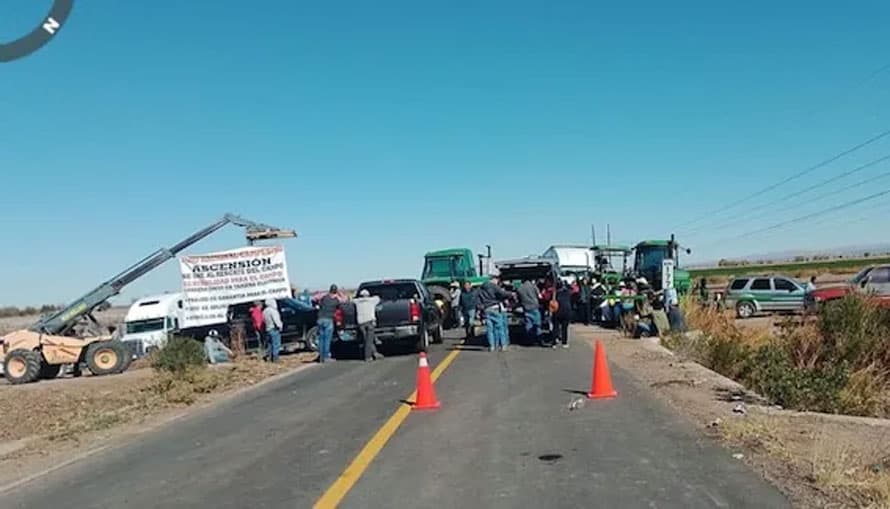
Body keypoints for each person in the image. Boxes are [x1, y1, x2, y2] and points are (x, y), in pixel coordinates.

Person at [477, 275, 511, 352]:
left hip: (486, 309)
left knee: (490, 329)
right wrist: (511, 294)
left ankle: (492, 346)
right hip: (495, 308)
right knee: (500, 327)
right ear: (494, 279)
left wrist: (481, 309)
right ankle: (503, 346)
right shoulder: (494, 286)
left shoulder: (480, 289)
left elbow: (478, 301)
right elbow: (502, 293)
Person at [353, 289, 383, 361]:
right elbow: (378, 298)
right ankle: (368, 357)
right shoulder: (372, 301)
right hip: (369, 322)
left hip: (361, 323)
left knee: (367, 339)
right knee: (369, 340)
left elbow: (351, 300)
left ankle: (375, 353)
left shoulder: (357, 302)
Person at [316, 284, 340, 363]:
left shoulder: (324, 298)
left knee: (321, 339)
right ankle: (326, 357)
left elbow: (317, 301)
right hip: (328, 320)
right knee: (327, 339)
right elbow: (344, 301)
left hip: (320, 319)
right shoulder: (336, 301)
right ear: (336, 291)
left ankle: (321, 357)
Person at [517, 277, 542, 345]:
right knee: (537, 324)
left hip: (526, 308)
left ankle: (529, 339)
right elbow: (540, 296)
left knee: (529, 323)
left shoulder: (520, 288)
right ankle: (538, 339)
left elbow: (518, 299)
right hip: (535, 307)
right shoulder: (533, 286)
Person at [553, 281, 573, 348]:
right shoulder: (568, 293)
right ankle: (564, 342)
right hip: (567, 311)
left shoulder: (555, 293)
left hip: (557, 311)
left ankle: (554, 343)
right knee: (564, 328)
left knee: (555, 327)